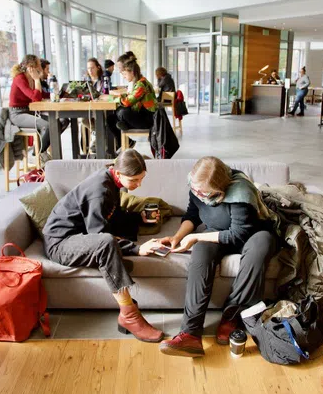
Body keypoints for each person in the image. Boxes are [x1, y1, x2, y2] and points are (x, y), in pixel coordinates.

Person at [158, 157, 278, 357]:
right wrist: (178, 237)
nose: (198, 194)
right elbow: (193, 216)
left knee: (259, 249)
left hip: (253, 233)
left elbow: (239, 234)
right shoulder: (196, 186)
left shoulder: (241, 192)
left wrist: (195, 236)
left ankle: (231, 316)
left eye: (203, 192)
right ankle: (190, 333)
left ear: (221, 188)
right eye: (195, 190)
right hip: (217, 232)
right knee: (200, 252)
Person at [42, 149, 164, 342]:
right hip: (60, 244)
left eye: (141, 179)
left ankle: (114, 264)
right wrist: (136, 249)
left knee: (111, 242)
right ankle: (129, 315)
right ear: (118, 173)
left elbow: (111, 215)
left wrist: (138, 218)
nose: (138, 185)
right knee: (106, 242)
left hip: (79, 236)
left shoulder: (110, 180)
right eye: (134, 180)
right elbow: (98, 234)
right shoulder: (99, 190)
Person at [107, 51, 158, 148]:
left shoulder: (141, 84)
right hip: (141, 115)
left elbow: (127, 101)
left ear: (132, 72)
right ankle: (124, 142)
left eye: (125, 74)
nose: (124, 77)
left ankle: (123, 127)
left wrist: (114, 98)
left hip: (148, 119)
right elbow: (129, 99)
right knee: (111, 118)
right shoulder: (138, 83)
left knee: (122, 112)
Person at [8, 54, 53, 163]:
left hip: (28, 112)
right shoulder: (20, 78)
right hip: (17, 114)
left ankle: (41, 152)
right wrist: (37, 80)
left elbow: (41, 95)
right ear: (31, 66)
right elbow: (35, 98)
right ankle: (37, 154)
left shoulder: (31, 78)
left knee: (60, 122)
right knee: (46, 126)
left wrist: (58, 94)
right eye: (38, 64)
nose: (40, 67)